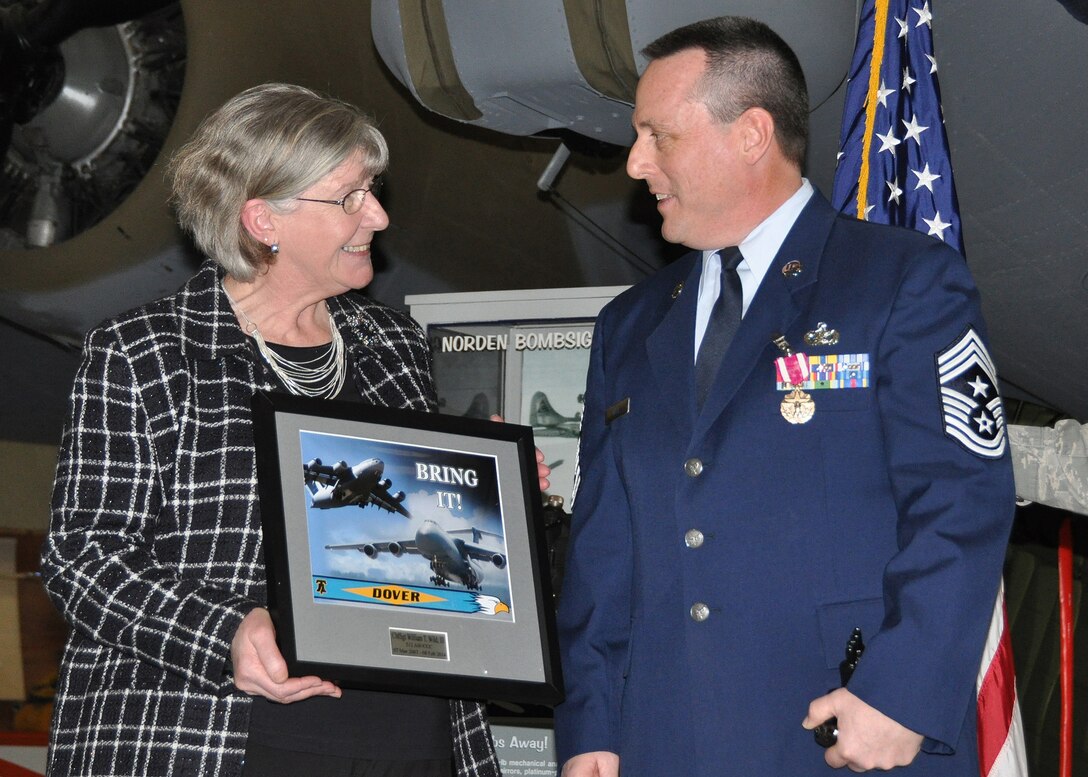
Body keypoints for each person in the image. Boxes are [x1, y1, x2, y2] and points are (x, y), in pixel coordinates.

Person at [40, 82, 547, 777]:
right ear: (262, 219)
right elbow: (83, 557)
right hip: (221, 740)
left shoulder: (394, 344)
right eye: (349, 197)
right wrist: (223, 631)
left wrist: (493, 488)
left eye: (373, 190)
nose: (378, 215)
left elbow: (417, 520)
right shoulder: (146, 352)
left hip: (413, 740)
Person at [553, 16, 1015, 777]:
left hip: (847, 732)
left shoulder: (902, 281)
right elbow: (605, 551)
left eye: (658, 136)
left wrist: (901, 694)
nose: (635, 163)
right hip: (662, 743)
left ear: (751, 134)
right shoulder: (628, 325)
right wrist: (591, 726)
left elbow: (961, 500)